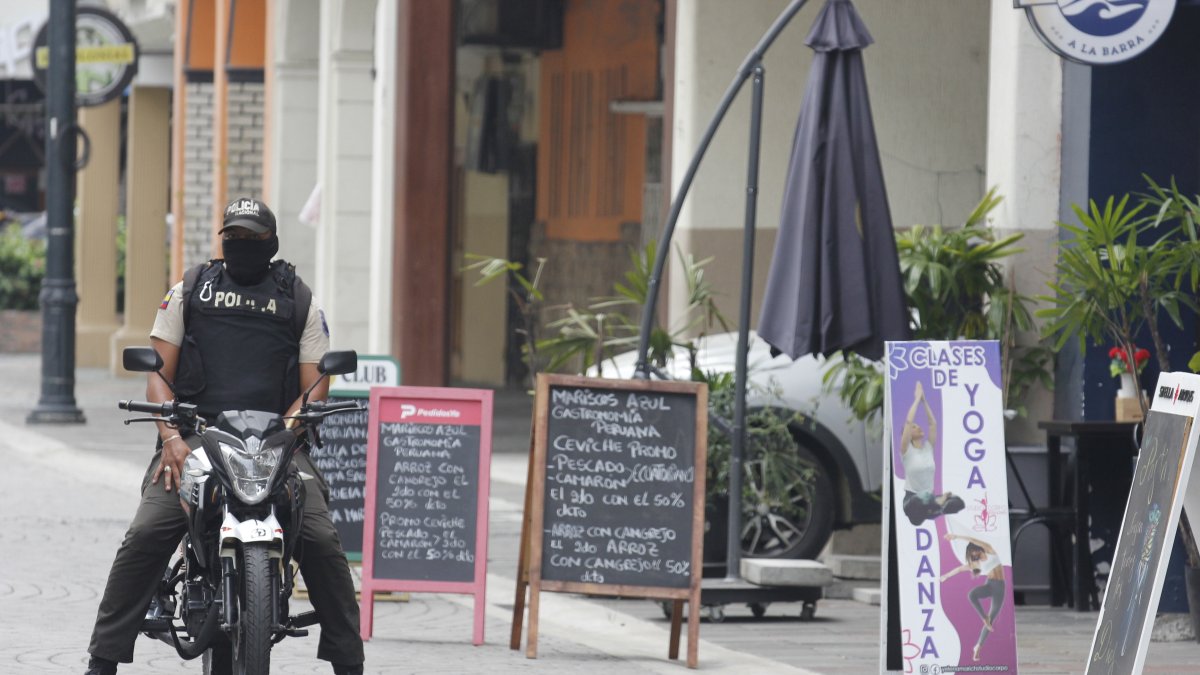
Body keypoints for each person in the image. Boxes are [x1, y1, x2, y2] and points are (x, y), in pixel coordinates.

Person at [85, 198, 364, 675]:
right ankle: (103, 658)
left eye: (253, 239)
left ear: (272, 243)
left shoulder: (298, 298)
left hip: (277, 442)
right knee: (148, 531)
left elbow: (315, 383)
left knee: (319, 538)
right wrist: (170, 436)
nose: (243, 246)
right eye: (234, 237)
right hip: (196, 438)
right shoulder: (190, 288)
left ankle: (347, 660)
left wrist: (290, 433)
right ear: (223, 241)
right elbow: (158, 371)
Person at [898, 380, 964, 525]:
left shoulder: (928, 448)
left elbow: (932, 424)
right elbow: (908, 422)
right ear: (908, 434)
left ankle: (935, 507)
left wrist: (924, 401)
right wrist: (916, 400)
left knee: (958, 502)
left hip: (928, 501)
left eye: (918, 425)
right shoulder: (906, 451)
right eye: (914, 427)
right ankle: (936, 505)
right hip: (912, 501)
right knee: (920, 499)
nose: (918, 427)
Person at [940, 532, 1006, 662]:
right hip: (990, 585)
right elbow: (960, 569)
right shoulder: (976, 564)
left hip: (1000, 588)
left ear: (976, 549)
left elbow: (971, 539)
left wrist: (956, 536)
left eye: (973, 554)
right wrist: (946, 576)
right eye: (972, 556)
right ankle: (984, 617)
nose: (974, 557)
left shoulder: (989, 549)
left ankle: (977, 647)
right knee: (972, 594)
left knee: (991, 621)